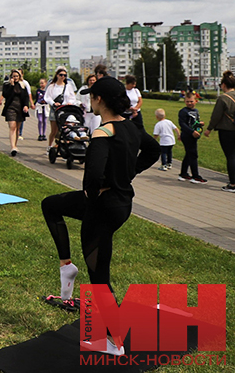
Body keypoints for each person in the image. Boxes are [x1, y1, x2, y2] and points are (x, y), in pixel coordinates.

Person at [41, 76, 159, 354]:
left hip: (103, 208)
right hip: (121, 203)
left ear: (99, 100)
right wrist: (127, 174)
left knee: (99, 277)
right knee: (51, 204)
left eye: (91, 97)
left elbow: (92, 175)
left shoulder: (103, 132)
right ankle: (66, 265)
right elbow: (153, 150)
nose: (89, 101)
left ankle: (113, 342)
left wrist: (93, 192)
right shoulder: (130, 127)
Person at [205, 70, 235, 192]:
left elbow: (216, 116)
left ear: (223, 85)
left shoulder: (223, 98)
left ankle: (233, 184)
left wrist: (209, 129)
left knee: (231, 156)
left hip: (227, 130)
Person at [0, 69, 30, 156]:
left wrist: (26, 106)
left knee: (17, 128)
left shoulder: (23, 85)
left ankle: (15, 145)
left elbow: (26, 97)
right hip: (10, 108)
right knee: (12, 126)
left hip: (20, 109)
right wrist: (11, 86)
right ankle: (12, 147)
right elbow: (6, 94)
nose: (15, 78)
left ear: (19, 77)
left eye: (16, 76)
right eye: (13, 76)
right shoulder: (7, 85)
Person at [43, 67, 78, 149]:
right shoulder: (52, 86)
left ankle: (63, 146)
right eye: (61, 75)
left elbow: (72, 97)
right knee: (54, 130)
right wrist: (53, 103)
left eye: (64, 75)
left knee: (64, 129)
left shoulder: (68, 86)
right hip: (55, 109)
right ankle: (50, 145)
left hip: (65, 109)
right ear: (57, 75)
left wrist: (70, 103)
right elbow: (47, 97)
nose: (63, 77)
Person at [178, 91, 206, 183]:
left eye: (191, 101)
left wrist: (200, 124)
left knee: (189, 154)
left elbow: (195, 122)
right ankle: (196, 176)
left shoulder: (196, 111)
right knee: (193, 154)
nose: (189, 103)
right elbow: (182, 124)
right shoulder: (183, 111)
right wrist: (191, 132)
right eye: (187, 101)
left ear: (196, 101)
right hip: (187, 135)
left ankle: (183, 173)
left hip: (194, 135)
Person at [17, 74, 33, 140]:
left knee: (20, 120)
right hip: (13, 106)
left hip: (21, 105)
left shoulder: (24, 83)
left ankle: (19, 133)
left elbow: (28, 94)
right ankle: (15, 133)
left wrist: (28, 104)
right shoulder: (10, 84)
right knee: (13, 122)